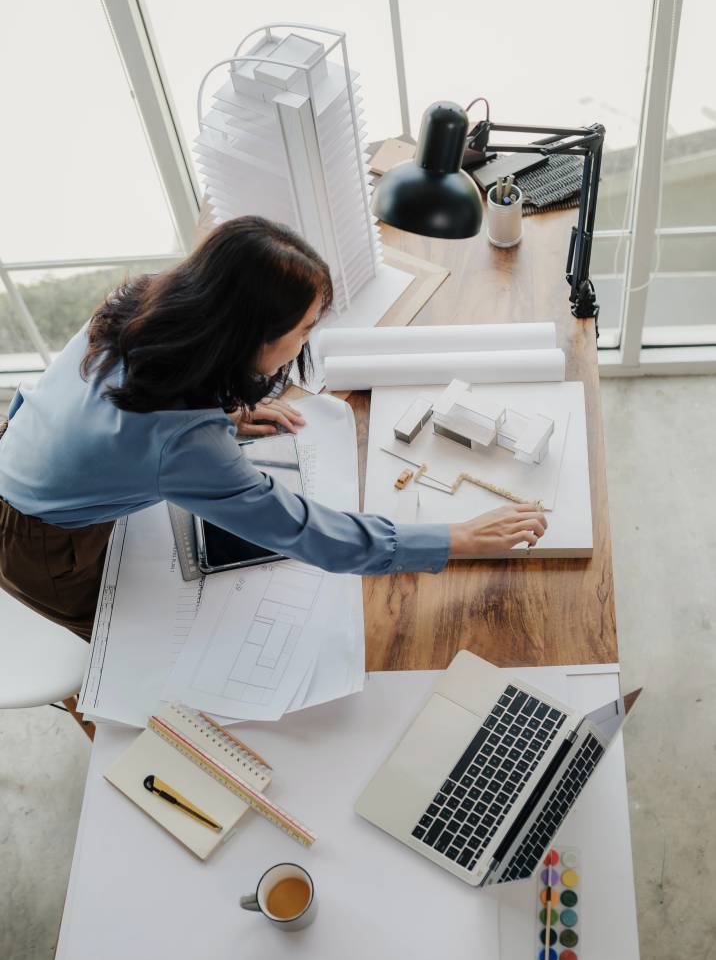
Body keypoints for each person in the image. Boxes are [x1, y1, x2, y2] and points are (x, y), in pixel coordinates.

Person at [0, 216, 547, 642]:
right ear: (252, 335)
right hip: (41, 547)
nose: (308, 342)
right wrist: (455, 538)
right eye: (306, 328)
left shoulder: (144, 299)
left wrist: (226, 412)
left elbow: (113, 412)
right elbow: (304, 531)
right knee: (131, 657)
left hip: (18, 445)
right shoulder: (186, 445)